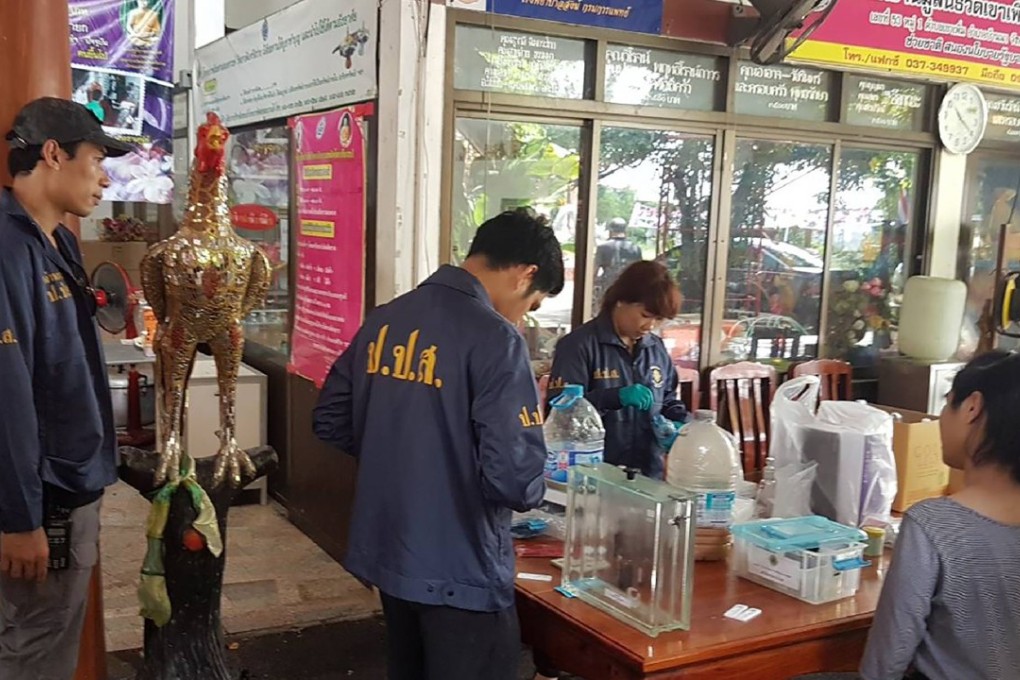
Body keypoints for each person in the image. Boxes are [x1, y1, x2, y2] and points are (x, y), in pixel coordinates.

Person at [313, 208, 564, 680]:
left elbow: (330, 420)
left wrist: (400, 455)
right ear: (525, 274)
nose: (523, 318)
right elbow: (513, 479)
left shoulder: (385, 320)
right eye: (532, 305)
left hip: (390, 551)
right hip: (461, 567)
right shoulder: (495, 340)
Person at [0, 97, 132, 679]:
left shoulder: (61, 242)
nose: (105, 177)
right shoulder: (7, 250)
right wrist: (19, 518)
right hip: (41, 499)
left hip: (73, 482)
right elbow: (5, 393)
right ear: (53, 154)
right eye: (98, 159)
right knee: (34, 645)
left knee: (53, 632)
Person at [858, 350, 1020, 680]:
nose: (941, 419)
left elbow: (885, 662)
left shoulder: (933, 525)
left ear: (973, 407)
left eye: (948, 404)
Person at [547, 260, 686, 480]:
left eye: (659, 319)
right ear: (621, 301)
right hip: (595, 476)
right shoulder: (579, 345)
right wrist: (614, 397)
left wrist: (679, 423)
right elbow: (560, 412)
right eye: (645, 315)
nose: (650, 326)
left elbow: (668, 398)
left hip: (648, 477)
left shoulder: (655, 348)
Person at [593, 217, 642, 299]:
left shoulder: (603, 247)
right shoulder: (635, 248)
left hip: (608, 287)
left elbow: (594, 271)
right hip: (630, 288)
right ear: (625, 231)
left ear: (610, 231)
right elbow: (641, 272)